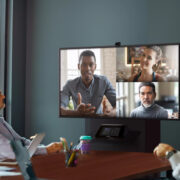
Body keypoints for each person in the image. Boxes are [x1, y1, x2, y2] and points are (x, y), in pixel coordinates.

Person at [0, 90, 63, 160]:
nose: (3, 96)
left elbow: (21, 141)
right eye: (0, 94)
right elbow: (13, 152)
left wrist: (47, 148)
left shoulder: (2, 122)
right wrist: (46, 149)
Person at [60, 50, 116, 117]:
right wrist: (76, 113)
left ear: (95, 66)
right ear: (78, 66)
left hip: (98, 121)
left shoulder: (104, 81)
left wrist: (110, 114)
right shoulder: (70, 84)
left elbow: (118, 105)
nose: (87, 68)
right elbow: (60, 109)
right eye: (84, 64)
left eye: (91, 64)